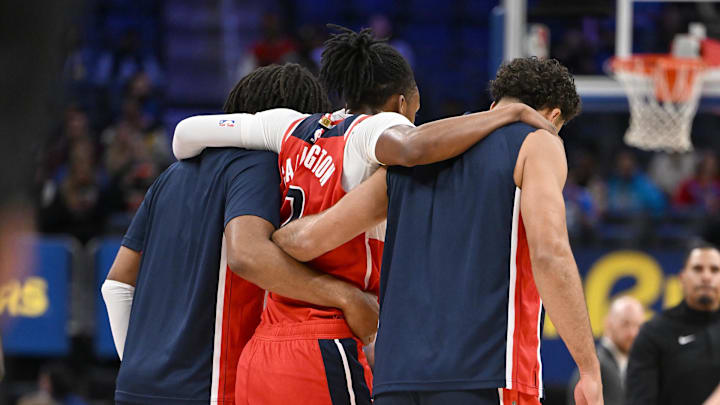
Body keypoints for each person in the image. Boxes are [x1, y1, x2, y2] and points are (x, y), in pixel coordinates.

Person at [172, 28, 558, 405]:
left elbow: (186, 133)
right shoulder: (375, 128)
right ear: (403, 101)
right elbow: (411, 147)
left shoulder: (287, 124)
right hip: (332, 338)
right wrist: (507, 116)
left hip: (266, 346)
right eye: (415, 112)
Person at [271, 57, 603, 405]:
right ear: (551, 117)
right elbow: (549, 254)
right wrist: (589, 368)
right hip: (485, 372)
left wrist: (264, 233)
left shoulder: (410, 159)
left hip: (394, 380)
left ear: (493, 106)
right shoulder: (538, 142)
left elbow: (309, 240)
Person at [101, 63, 380, 405]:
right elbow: (247, 255)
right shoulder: (258, 163)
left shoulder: (169, 176)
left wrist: (137, 365)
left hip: (135, 388)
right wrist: (345, 296)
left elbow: (115, 284)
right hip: (209, 388)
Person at [625, 242, 720, 405]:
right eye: (698, 269)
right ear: (682, 278)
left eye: (715, 270)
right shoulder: (653, 333)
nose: (706, 276)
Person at [567, 296, 645, 405]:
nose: (633, 333)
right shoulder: (596, 366)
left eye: (638, 326)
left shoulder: (632, 365)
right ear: (608, 323)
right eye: (625, 324)